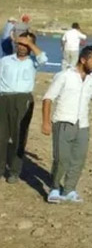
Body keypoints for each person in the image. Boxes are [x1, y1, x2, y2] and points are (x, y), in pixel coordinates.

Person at [42, 46, 92, 203]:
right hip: (63, 122)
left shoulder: (91, 79)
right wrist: (45, 122)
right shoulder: (64, 76)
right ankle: (55, 188)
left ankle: (69, 189)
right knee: (61, 159)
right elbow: (48, 98)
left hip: (83, 124)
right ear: (83, 60)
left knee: (79, 159)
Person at [0, 32, 47, 183]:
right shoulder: (5, 60)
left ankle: (14, 171)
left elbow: (44, 58)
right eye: (20, 44)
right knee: (1, 136)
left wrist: (30, 43)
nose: (22, 47)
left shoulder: (33, 61)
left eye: (26, 45)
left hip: (23, 99)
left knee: (19, 136)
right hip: (4, 98)